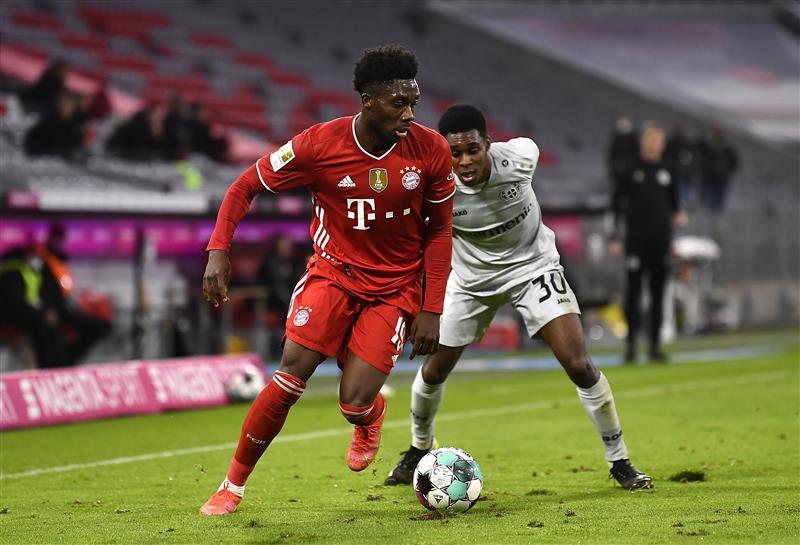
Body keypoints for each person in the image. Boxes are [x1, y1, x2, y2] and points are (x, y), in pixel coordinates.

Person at [199, 45, 455, 515]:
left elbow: (439, 231)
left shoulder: (431, 149)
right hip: (333, 274)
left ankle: (368, 416)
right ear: (368, 100)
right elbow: (245, 186)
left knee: (354, 402)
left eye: (414, 102)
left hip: (396, 289)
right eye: (399, 103)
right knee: (290, 374)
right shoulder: (319, 145)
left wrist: (431, 307)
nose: (410, 113)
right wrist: (219, 248)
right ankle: (231, 486)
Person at [383, 104, 653, 491]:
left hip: (533, 269)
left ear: (488, 144)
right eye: (454, 153)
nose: (465, 161)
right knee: (434, 369)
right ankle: (417, 449)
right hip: (471, 280)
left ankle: (620, 461)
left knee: (578, 364)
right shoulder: (433, 184)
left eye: (472, 149)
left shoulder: (521, 156)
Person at [610, 122, 687, 363]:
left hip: (661, 241)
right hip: (635, 241)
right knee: (633, 293)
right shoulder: (631, 169)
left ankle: (654, 346)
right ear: (643, 142)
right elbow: (616, 204)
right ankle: (631, 346)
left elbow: (676, 204)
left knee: (658, 293)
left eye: (659, 141)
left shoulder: (669, 169)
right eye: (651, 140)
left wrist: (679, 215)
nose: (655, 145)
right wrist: (615, 236)